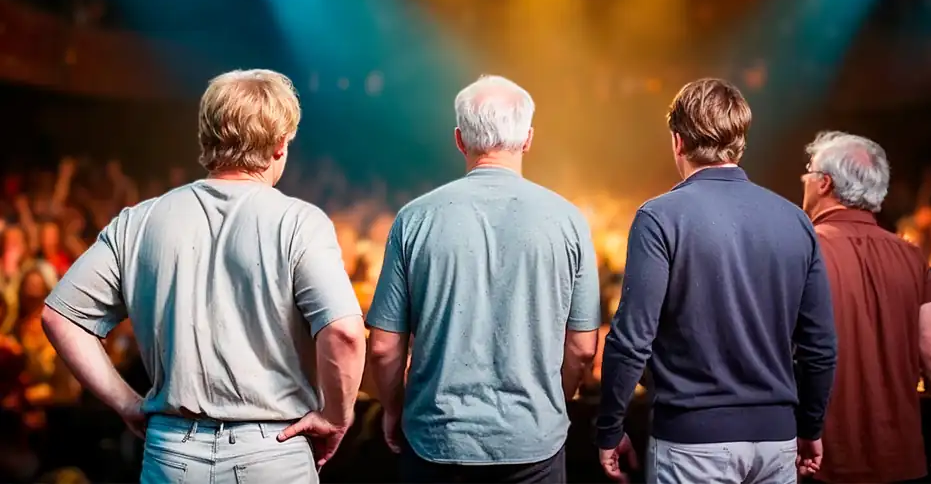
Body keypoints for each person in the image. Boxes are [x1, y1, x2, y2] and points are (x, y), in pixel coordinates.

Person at [40, 69, 367, 484]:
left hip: (171, 450)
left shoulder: (140, 221)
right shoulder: (299, 222)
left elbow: (60, 316)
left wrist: (126, 402)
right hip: (272, 449)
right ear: (281, 144)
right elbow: (344, 334)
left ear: (206, 136)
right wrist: (336, 418)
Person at [596, 78, 838, 484]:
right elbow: (820, 346)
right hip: (776, 441)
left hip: (692, 443)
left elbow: (632, 338)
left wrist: (609, 429)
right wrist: (811, 427)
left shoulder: (659, 218)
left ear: (677, 141)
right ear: (739, 143)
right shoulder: (795, 220)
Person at [366, 75, 601, 483]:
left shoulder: (413, 220)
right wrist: (552, 403)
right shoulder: (569, 221)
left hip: (435, 443)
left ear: (459, 140)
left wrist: (393, 408)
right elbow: (582, 348)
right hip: (534, 445)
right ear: (528, 139)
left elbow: (384, 347)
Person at [801, 131, 931, 481]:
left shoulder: (802, 250)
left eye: (808, 172)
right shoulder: (911, 256)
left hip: (822, 463)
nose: (804, 181)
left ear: (824, 183)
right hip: (902, 461)